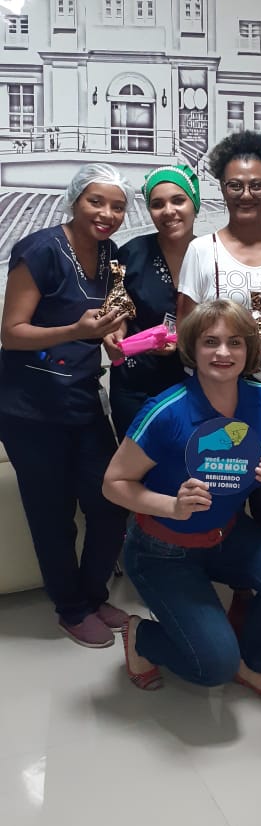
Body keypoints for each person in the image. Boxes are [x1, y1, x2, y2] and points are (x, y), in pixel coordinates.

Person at [103, 300, 261, 703]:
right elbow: (113, 484)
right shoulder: (166, 411)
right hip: (160, 549)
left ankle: (250, 662)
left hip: (224, 534)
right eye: (210, 342)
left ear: (249, 349)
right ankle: (141, 635)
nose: (223, 352)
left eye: (235, 342)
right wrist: (172, 506)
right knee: (212, 667)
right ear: (192, 349)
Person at [178, 131, 261, 646]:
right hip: (215, 399)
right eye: (236, 185)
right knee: (222, 498)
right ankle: (231, 591)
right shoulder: (202, 250)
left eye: (257, 184)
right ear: (222, 188)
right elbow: (186, 331)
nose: (246, 193)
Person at [0, 163, 133, 647]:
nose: (107, 214)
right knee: (53, 515)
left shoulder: (111, 254)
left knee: (110, 501)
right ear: (74, 200)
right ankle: (71, 608)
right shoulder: (40, 250)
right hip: (29, 408)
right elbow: (12, 333)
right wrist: (76, 331)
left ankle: (93, 595)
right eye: (96, 201)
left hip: (80, 396)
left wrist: (114, 337)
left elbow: (111, 317)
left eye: (117, 206)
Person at [108, 163, 198, 440]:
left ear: (194, 204)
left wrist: (184, 342)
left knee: (188, 459)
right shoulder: (130, 254)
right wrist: (114, 334)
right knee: (135, 462)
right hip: (136, 386)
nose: (168, 211)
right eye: (157, 204)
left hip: (196, 384)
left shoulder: (213, 255)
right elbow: (119, 308)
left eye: (178, 200)